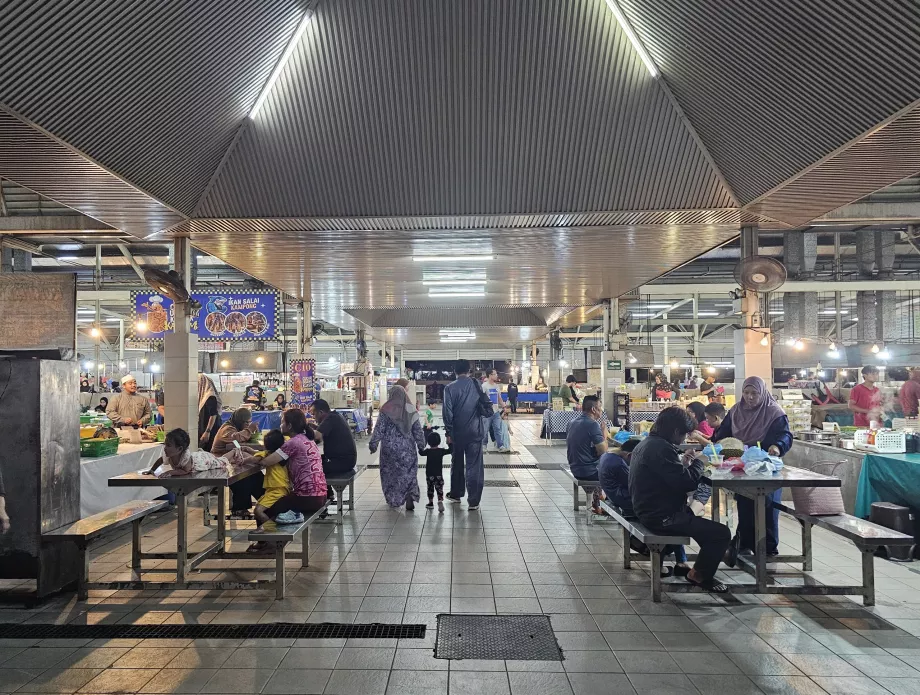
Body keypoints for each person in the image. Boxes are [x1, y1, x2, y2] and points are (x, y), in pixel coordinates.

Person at [629, 406, 731, 592]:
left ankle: (713, 558)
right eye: (684, 434)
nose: (684, 439)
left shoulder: (648, 444)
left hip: (648, 509)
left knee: (704, 526)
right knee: (721, 533)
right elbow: (688, 483)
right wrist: (701, 461)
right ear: (676, 431)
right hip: (662, 517)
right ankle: (698, 574)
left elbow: (668, 476)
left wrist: (684, 464)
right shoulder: (661, 448)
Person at [712, 376, 793, 558]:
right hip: (742, 467)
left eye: (754, 393)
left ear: (762, 393)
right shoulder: (736, 411)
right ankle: (744, 544)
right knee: (745, 505)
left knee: (768, 506)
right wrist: (719, 443)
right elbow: (723, 434)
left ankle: (768, 549)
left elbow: (786, 435)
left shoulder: (774, 412)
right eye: (746, 393)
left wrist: (778, 446)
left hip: (767, 467)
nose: (749, 397)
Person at [599, 439, 689, 574]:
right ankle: (669, 564)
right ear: (630, 456)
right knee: (670, 512)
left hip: (620, 498)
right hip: (628, 502)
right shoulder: (618, 464)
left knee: (673, 508)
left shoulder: (608, 456)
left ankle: (681, 561)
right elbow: (637, 483)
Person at [241, 409, 327, 528]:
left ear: (290, 426)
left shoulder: (293, 443)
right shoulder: (307, 439)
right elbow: (273, 455)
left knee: (265, 510)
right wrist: (255, 452)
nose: (280, 425)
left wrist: (249, 458)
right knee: (274, 503)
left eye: (282, 422)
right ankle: (269, 542)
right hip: (320, 495)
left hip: (307, 497)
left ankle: (270, 542)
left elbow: (265, 462)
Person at [370, 385, 426, 510]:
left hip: (389, 449)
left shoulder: (386, 409)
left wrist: (373, 444)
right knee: (409, 473)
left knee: (390, 475)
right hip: (407, 449)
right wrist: (421, 445)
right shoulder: (411, 409)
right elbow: (417, 430)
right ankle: (410, 495)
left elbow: (379, 429)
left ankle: (393, 499)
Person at [443, 359, 487, 510]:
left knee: (457, 463)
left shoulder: (449, 388)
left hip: (457, 433)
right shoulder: (476, 384)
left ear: (455, 371)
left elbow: (447, 413)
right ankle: (473, 501)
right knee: (474, 466)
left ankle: (456, 493)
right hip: (475, 432)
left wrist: (448, 431)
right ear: (469, 370)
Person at [213, 408, 262, 518]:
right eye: (246, 422)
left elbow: (238, 443)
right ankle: (239, 508)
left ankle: (265, 500)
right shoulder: (227, 428)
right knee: (243, 476)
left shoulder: (234, 427)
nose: (247, 425)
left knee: (254, 473)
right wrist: (249, 430)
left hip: (232, 461)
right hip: (220, 463)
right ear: (240, 420)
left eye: (249, 422)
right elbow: (236, 438)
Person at [249, 429, 292, 546]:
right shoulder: (282, 454)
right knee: (259, 507)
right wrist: (249, 450)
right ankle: (267, 531)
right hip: (277, 489)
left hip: (277, 490)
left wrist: (244, 458)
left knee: (258, 510)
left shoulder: (269, 456)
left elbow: (257, 460)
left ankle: (272, 530)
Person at [566, 395, 608, 514]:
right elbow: (603, 450)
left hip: (575, 467)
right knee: (617, 469)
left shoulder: (572, 422)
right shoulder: (592, 425)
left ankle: (599, 499)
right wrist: (604, 433)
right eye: (600, 407)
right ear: (594, 409)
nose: (602, 410)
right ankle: (610, 504)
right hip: (588, 471)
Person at [420, 430, 451, 512]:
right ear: (439, 441)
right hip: (438, 475)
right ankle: (440, 500)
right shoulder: (441, 451)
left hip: (429, 475)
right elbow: (450, 450)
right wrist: (450, 442)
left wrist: (421, 445)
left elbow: (421, 453)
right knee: (439, 488)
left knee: (430, 489)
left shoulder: (428, 451)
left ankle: (430, 503)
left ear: (429, 443)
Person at [482, 369, 509, 452]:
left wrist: (504, 406)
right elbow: (481, 399)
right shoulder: (484, 386)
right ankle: (484, 446)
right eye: (495, 374)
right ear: (490, 375)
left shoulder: (496, 386)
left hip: (496, 412)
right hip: (487, 412)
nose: (496, 375)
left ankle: (500, 446)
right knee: (485, 429)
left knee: (497, 429)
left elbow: (499, 399)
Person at [198, 374, 222, 451]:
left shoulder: (210, 396)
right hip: (205, 427)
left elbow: (213, 414)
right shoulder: (203, 396)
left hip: (211, 429)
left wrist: (207, 432)